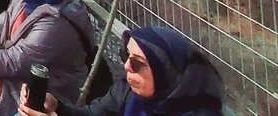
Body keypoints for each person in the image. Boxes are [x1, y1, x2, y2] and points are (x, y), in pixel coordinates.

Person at [16, 25, 226, 116]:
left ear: (167, 74)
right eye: (126, 56)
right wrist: (57, 107)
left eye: (137, 63)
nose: (126, 66)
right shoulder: (127, 91)